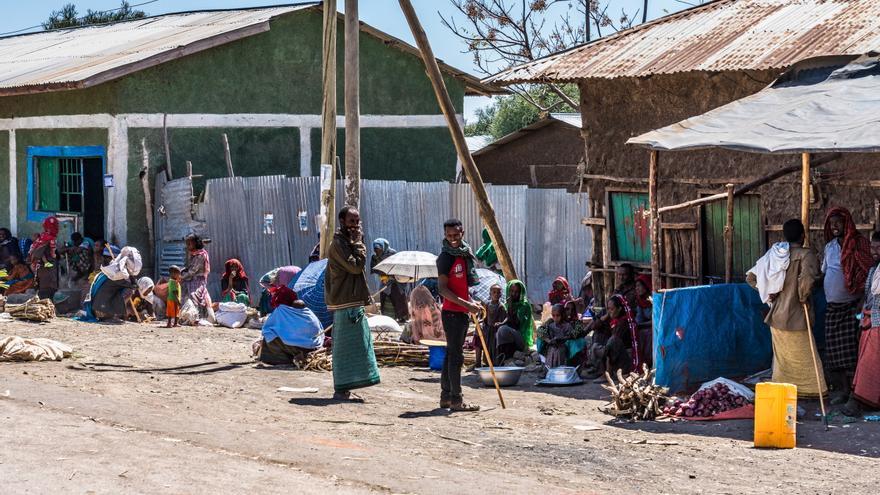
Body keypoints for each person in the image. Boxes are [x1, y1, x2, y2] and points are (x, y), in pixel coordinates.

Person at [747, 219, 826, 398]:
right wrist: (803, 297)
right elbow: (806, 281)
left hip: (777, 315)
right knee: (807, 357)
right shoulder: (807, 255)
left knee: (783, 360)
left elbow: (751, 277)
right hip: (797, 314)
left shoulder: (774, 254)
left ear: (784, 236)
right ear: (803, 235)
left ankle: (785, 390)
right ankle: (810, 391)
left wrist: (767, 291)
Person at [325, 206, 380, 402]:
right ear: (342, 222)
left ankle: (348, 387)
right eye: (351, 222)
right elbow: (356, 267)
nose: (355, 226)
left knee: (357, 346)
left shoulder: (349, 242)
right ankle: (341, 389)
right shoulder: (339, 244)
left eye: (357, 221)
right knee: (344, 348)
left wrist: (357, 243)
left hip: (352, 300)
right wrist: (359, 243)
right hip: (344, 302)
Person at [822, 207, 872, 404]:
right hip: (833, 307)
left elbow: (868, 271)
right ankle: (843, 391)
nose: (834, 226)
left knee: (853, 352)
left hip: (854, 306)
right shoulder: (830, 248)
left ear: (847, 223)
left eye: (838, 222)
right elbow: (824, 272)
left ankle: (855, 393)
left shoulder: (860, 245)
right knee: (835, 352)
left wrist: (862, 301)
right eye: (831, 223)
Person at [436, 218, 482, 412]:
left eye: (456, 235)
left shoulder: (464, 255)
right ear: (445, 236)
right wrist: (466, 305)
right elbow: (442, 289)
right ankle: (457, 400)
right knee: (456, 357)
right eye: (449, 236)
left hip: (461, 311)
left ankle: (446, 397)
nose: (453, 239)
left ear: (462, 233)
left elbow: (461, 286)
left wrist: (471, 302)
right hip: (452, 313)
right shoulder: (445, 257)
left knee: (451, 354)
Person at [842, 231, 880, 416]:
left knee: (869, 363)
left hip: (877, 322)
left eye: (878, 248)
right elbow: (867, 295)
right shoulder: (874, 270)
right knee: (867, 361)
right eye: (873, 247)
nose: (874, 251)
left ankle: (858, 400)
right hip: (870, 320)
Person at [258, 285, 324, 365]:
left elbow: (266, 328)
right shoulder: (309, 312)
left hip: (297, 347)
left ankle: (282, 359)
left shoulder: (282, 310)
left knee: (269, 335)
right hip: (313, 347)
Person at [82, 247, 143, 322]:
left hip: (97, 307)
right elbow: (131, 286)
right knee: (129, 291)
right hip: (100, 309)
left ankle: (111, 314)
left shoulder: (113, 269)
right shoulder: (118, 273)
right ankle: (109, 316)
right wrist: (133, 284)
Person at [584, 294, 637, 380]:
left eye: (612, 309)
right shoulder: (609, 317)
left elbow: (614, 342)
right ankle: (599, 370)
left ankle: (607, 373)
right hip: (613, 352)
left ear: (619, 309)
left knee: (611, 342)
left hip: (624, 357)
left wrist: (600, 349)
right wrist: (602, 318)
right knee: (599, 335)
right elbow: (591, 327)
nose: (609, 312)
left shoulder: (623, 322)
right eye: (608, 309)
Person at [496, 279, 534, 363]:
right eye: (511, 291)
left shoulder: (524, 306)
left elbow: (515, 324)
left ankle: (507, 357)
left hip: (520, 337)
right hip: (508, 337)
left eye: (516, 292)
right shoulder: (505, 304)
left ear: (521, 292)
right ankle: (500, 357)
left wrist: (510, 307)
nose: (513, 294)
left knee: (503, 329)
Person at [370, 238, 408, 321]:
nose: (377, 251)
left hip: (396, 282)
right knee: (385, 297)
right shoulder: (375, 257)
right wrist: (383, 276)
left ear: (384, 247)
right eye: (375, 249)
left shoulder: (393, 254)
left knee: (398, 298)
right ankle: (389, 319)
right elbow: (376, 270)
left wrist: (392, 276)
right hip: (385, 282)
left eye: (379, 249)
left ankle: (402, 318)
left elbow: (399, 268)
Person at [473, 284, 505, 369]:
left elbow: (504, 320)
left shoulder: (501, 307)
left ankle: (491, 361)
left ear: (501, 294)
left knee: (493, 341)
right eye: (494, 292)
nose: (496, 294)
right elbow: (484, 317)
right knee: (478, 330)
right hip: (487, 327)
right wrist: (479, 321)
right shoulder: (487, 304)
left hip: (495, 329)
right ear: (490, 293)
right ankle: (477, 362)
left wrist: (499, 323)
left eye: (498, 292)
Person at [181, 234, 213, 319]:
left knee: (194, 296)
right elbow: (188, 267)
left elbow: (193, 270)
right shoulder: (192, 253)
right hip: (190, 280)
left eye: (189, 244)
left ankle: (197, 317)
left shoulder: (200, 255)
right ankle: (186, 316)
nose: (187, 246)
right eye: (186, 244)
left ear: (195, 244)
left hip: (198, 281)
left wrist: (181, 277)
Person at [28, 216, 59, 300]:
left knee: (49, 292)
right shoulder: (46, 238)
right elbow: (37, 253)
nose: (56, 227)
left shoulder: (45, 237)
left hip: (48, 271)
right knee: (46, 294)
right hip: (46, 272)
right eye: (54, 225)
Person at [537, 304, 574, 368]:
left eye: (558, 315)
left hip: (563, 347)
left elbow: (570, 337)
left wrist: (562, 339)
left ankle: (560, 369)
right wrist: (549, 341)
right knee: (552, 350)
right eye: (553, 316)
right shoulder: (550, 325)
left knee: (559, 351)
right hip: (552, 346)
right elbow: (541, 332)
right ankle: (548, 369)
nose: (555, 318)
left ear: (562, 315)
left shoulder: (567, 326)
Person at [633, 275, 653, 368]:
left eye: (639, 286)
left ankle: (650, 362)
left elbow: (655, 320)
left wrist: (641, 325)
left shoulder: (654, 300)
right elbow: (639, 319)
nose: (637, 289)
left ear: (646, 286)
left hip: (656, 327)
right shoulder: (640, 300)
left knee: (648, 334)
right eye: (636, 286)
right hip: (646, 327)